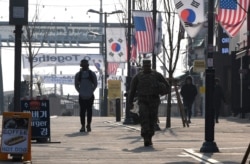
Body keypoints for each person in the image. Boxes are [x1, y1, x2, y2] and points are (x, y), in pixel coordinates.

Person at [128, 60, 170, 147]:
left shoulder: (156, 75)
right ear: (143, 66)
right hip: (143, 101)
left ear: (150, 65)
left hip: (154, 100)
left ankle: (150, 136)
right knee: (144, 118)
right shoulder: (138, 76)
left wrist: (162, 90)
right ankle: (145, 137)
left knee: (152, 120)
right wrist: (130, 102)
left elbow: (167, 86)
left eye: (148, 65)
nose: (147, 67)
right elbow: (132, 90)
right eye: (145, 66)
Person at [74, 59, 97, 132]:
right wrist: (90, 90)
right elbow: (95, 84)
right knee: (85, 111)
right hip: (86, 95)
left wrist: (81, 91)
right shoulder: (79, 74)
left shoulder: (90, 74)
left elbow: (76, 85)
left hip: (86, 95)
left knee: (85, 111)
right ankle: (85, 125)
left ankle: (86, 125)